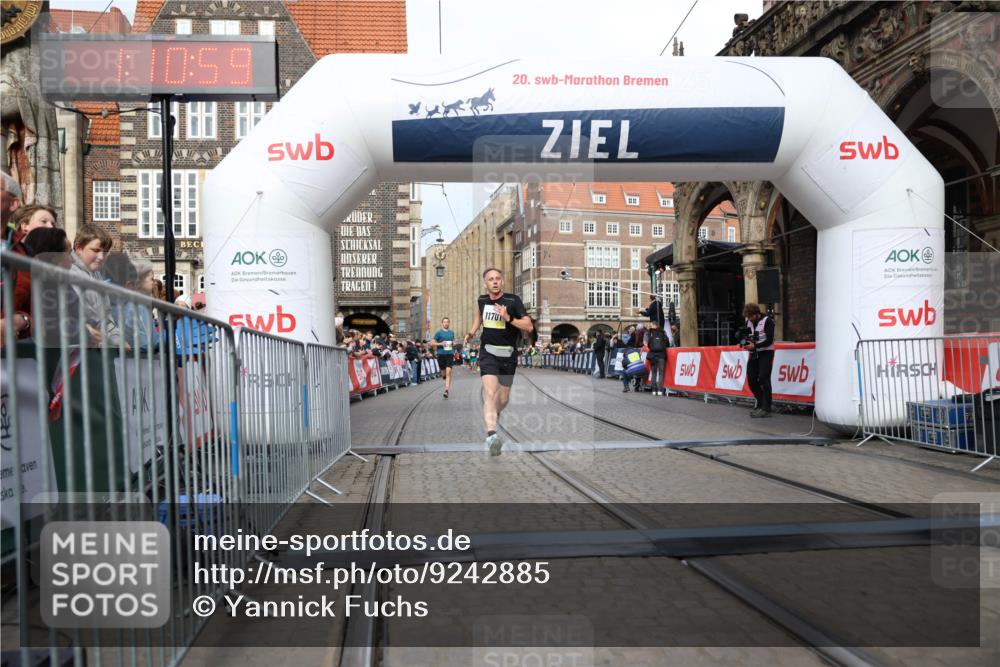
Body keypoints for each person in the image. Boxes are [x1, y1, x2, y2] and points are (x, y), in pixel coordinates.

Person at [463, 268, 533, 455]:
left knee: (503, 398)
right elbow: (479, 317)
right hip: (488, 352)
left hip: (508, 354)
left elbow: (529, 326)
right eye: (491, 279)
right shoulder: (482, 300)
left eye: (498, 279)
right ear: (485, 283)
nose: (494, 282)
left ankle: (495, 413)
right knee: (490, 392)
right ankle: (492, 435)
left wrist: (508, 318)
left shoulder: (513, 301)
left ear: (502, 282)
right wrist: (471, 332)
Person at [69, 224, 125, 348]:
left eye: (105, 252)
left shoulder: (97, 275)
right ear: (79, 248)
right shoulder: (68, 272)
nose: (101, 257)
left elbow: (106, 316)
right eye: (96, 250)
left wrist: (117, 338)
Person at [741, 303, 775, 418]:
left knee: (764, 378)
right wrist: (744, 342)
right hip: (753, 353)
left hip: (766, 352)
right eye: (748, 317)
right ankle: (760, 403)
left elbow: (770, 340)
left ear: (757, 314)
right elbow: (747, 336)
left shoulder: (768, 321)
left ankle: (767, 408)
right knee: (751, 379)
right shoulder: (748, 322)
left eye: (751, 316)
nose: (749, 319)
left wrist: (755, 345)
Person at [433, 316, 456, 398]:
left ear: (449, 323)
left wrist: (454, 342)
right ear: (442, 323)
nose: (446, 323)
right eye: (444, 322)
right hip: (441, 354)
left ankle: (446, 390)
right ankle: (444, 376)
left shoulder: (452, 333)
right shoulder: (438, 333)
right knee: (444, 374)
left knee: (448, 372)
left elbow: (453, 341)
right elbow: (432, 343)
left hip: (450, 354)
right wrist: (440, 344)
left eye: (447, 322)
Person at [646, 321, 669, 396]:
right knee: (661, 373)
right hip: (662, 355)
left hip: (653, 355)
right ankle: (660, 390)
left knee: (654, 373)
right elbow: (667, 343)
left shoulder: (650, 333)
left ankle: (653, 390)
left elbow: (648, 344)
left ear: (654, 325)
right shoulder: (663, 333)